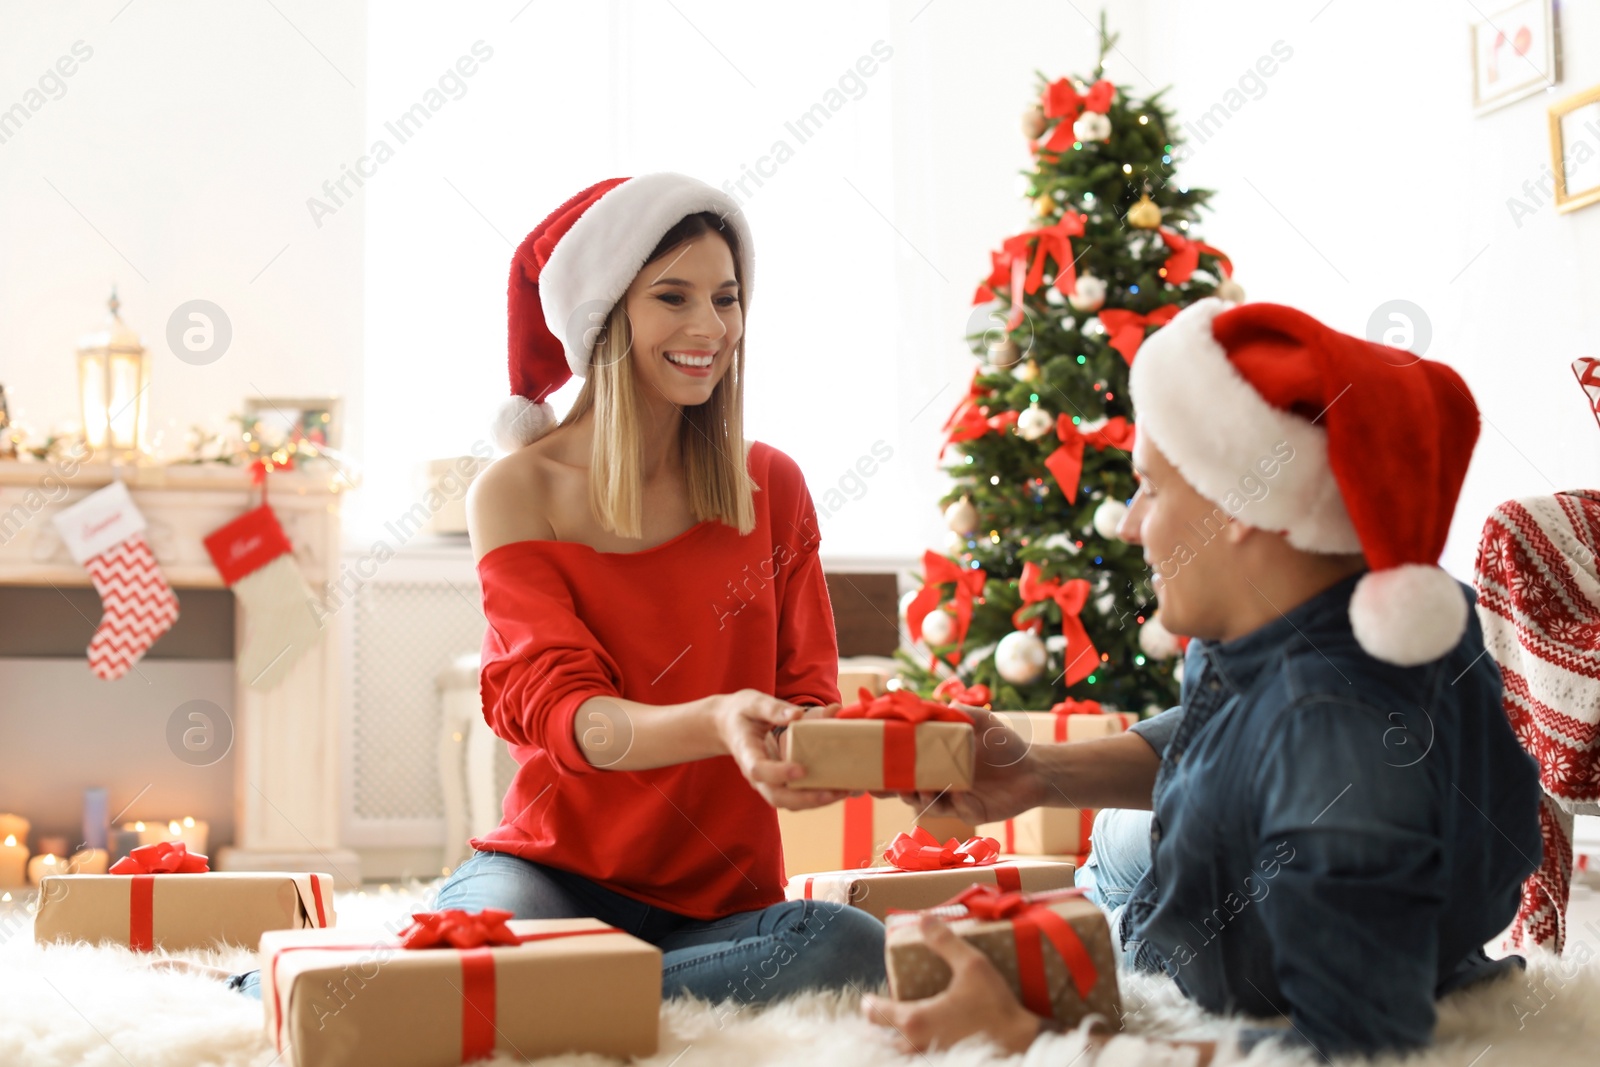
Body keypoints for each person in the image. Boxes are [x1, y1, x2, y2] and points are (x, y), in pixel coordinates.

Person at [223, 173, 886, 1006]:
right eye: (672, 296)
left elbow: (809, 703)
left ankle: (541, 994)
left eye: (726, 298)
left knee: (843, 943)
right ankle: (379, 986)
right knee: (489, 954)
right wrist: (719, 719)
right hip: (548, 880)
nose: (709, 327)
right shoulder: (516, 490)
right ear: (604, 316)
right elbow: (569, 718)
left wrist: (845, 751)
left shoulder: (771, 486)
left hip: (719, 906)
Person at [862, 298, 1542, 1064]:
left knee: (1063, 903)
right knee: (1107, 853)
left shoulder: (1333, 738)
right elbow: (1221, 731)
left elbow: (1358, 1051)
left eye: (1149, 486)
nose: (1127, 523)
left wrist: (1038, 1042)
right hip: (1197, 879)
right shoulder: (1330, 608)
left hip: (1208, 954)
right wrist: (1035, 771)